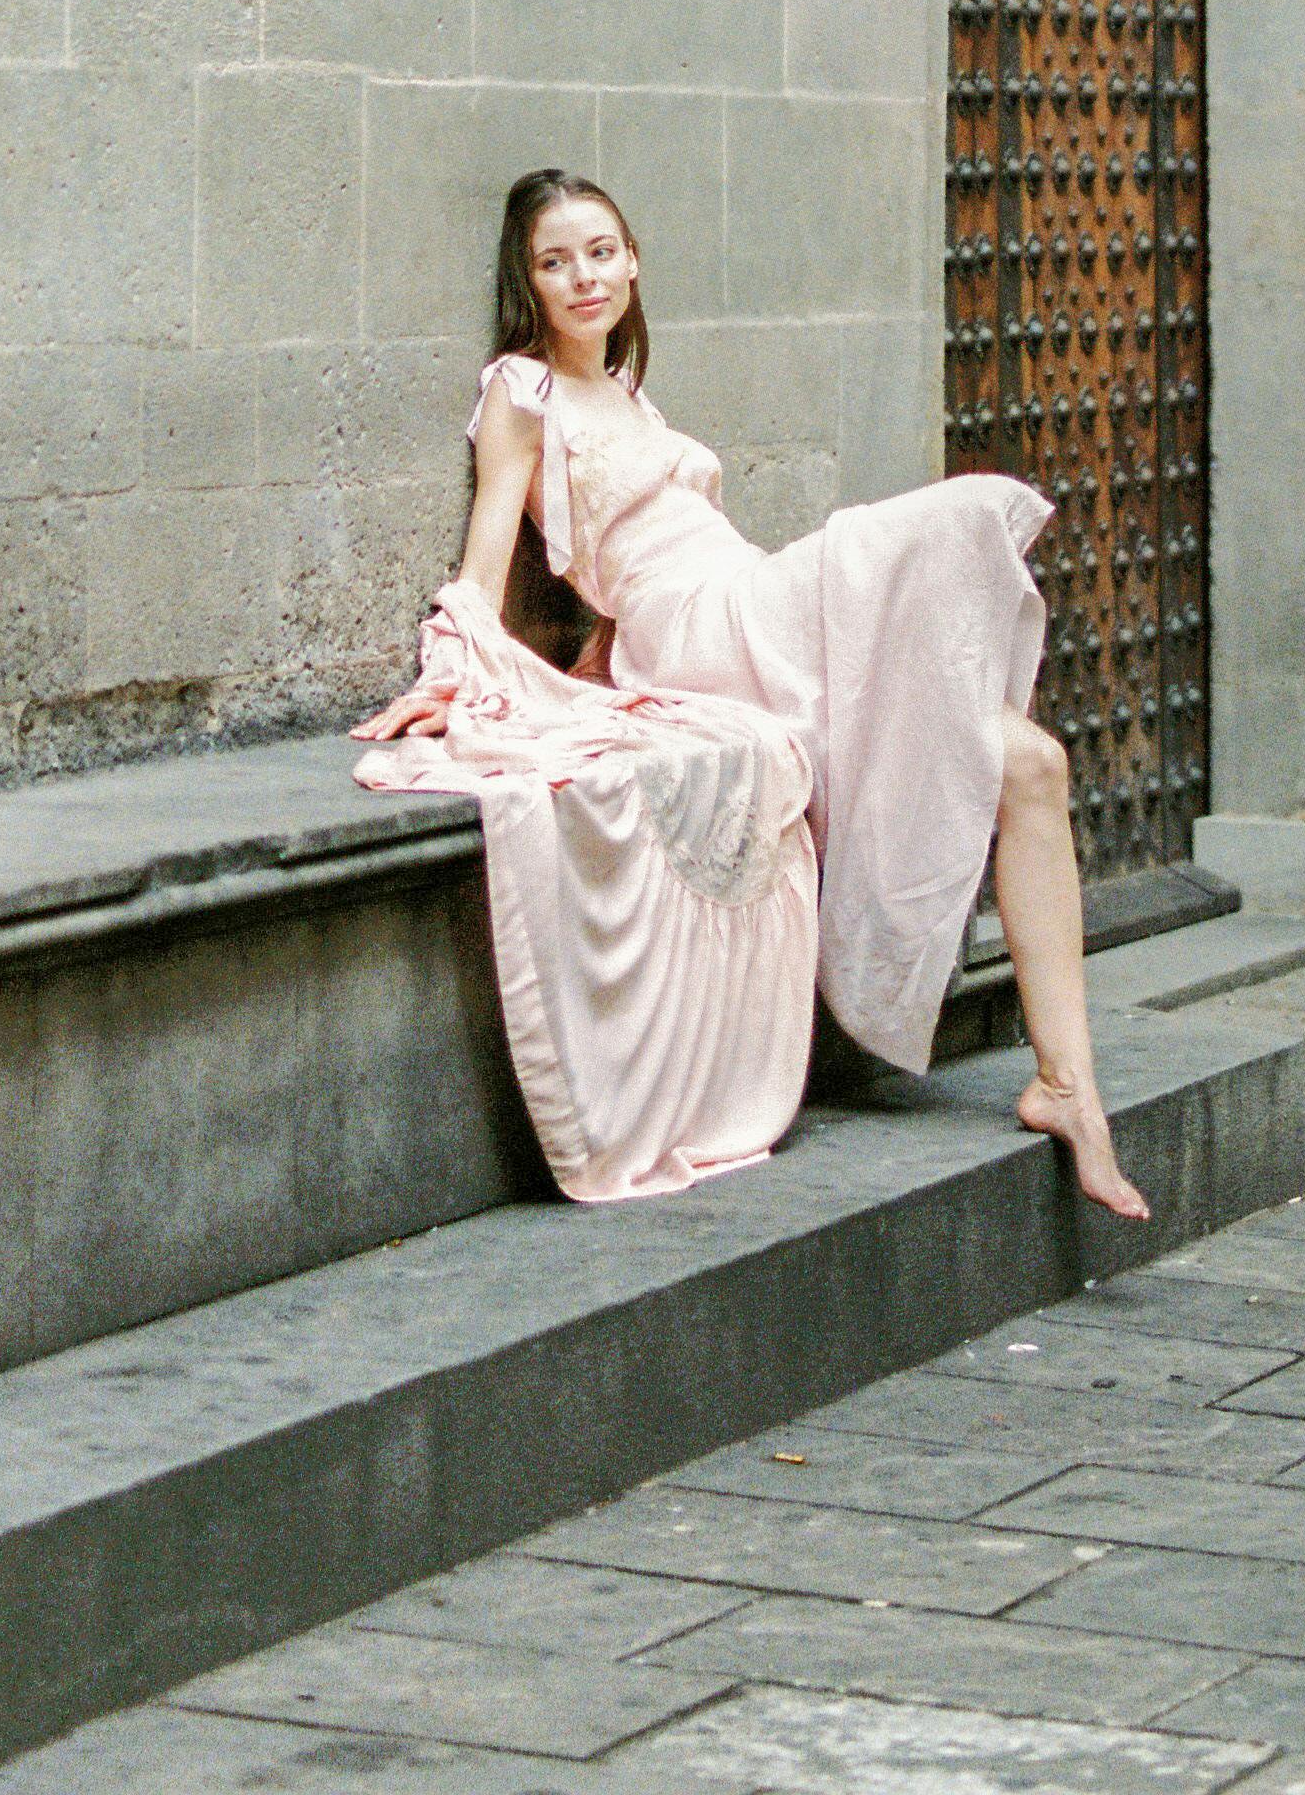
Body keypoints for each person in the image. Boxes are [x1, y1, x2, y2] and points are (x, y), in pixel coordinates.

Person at [357, 165, 1147, 1220]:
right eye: (554, 263)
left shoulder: (630, 395)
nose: (582, 277)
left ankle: (1067, 1089)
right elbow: (490, 549)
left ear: (632, 260)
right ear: (528, 284)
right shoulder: (521, 392)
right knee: (938, 526)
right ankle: (963, 536)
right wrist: (456, 664)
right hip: (697, 627)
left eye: (599, 252)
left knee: (1030, 763)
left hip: (743, 601)